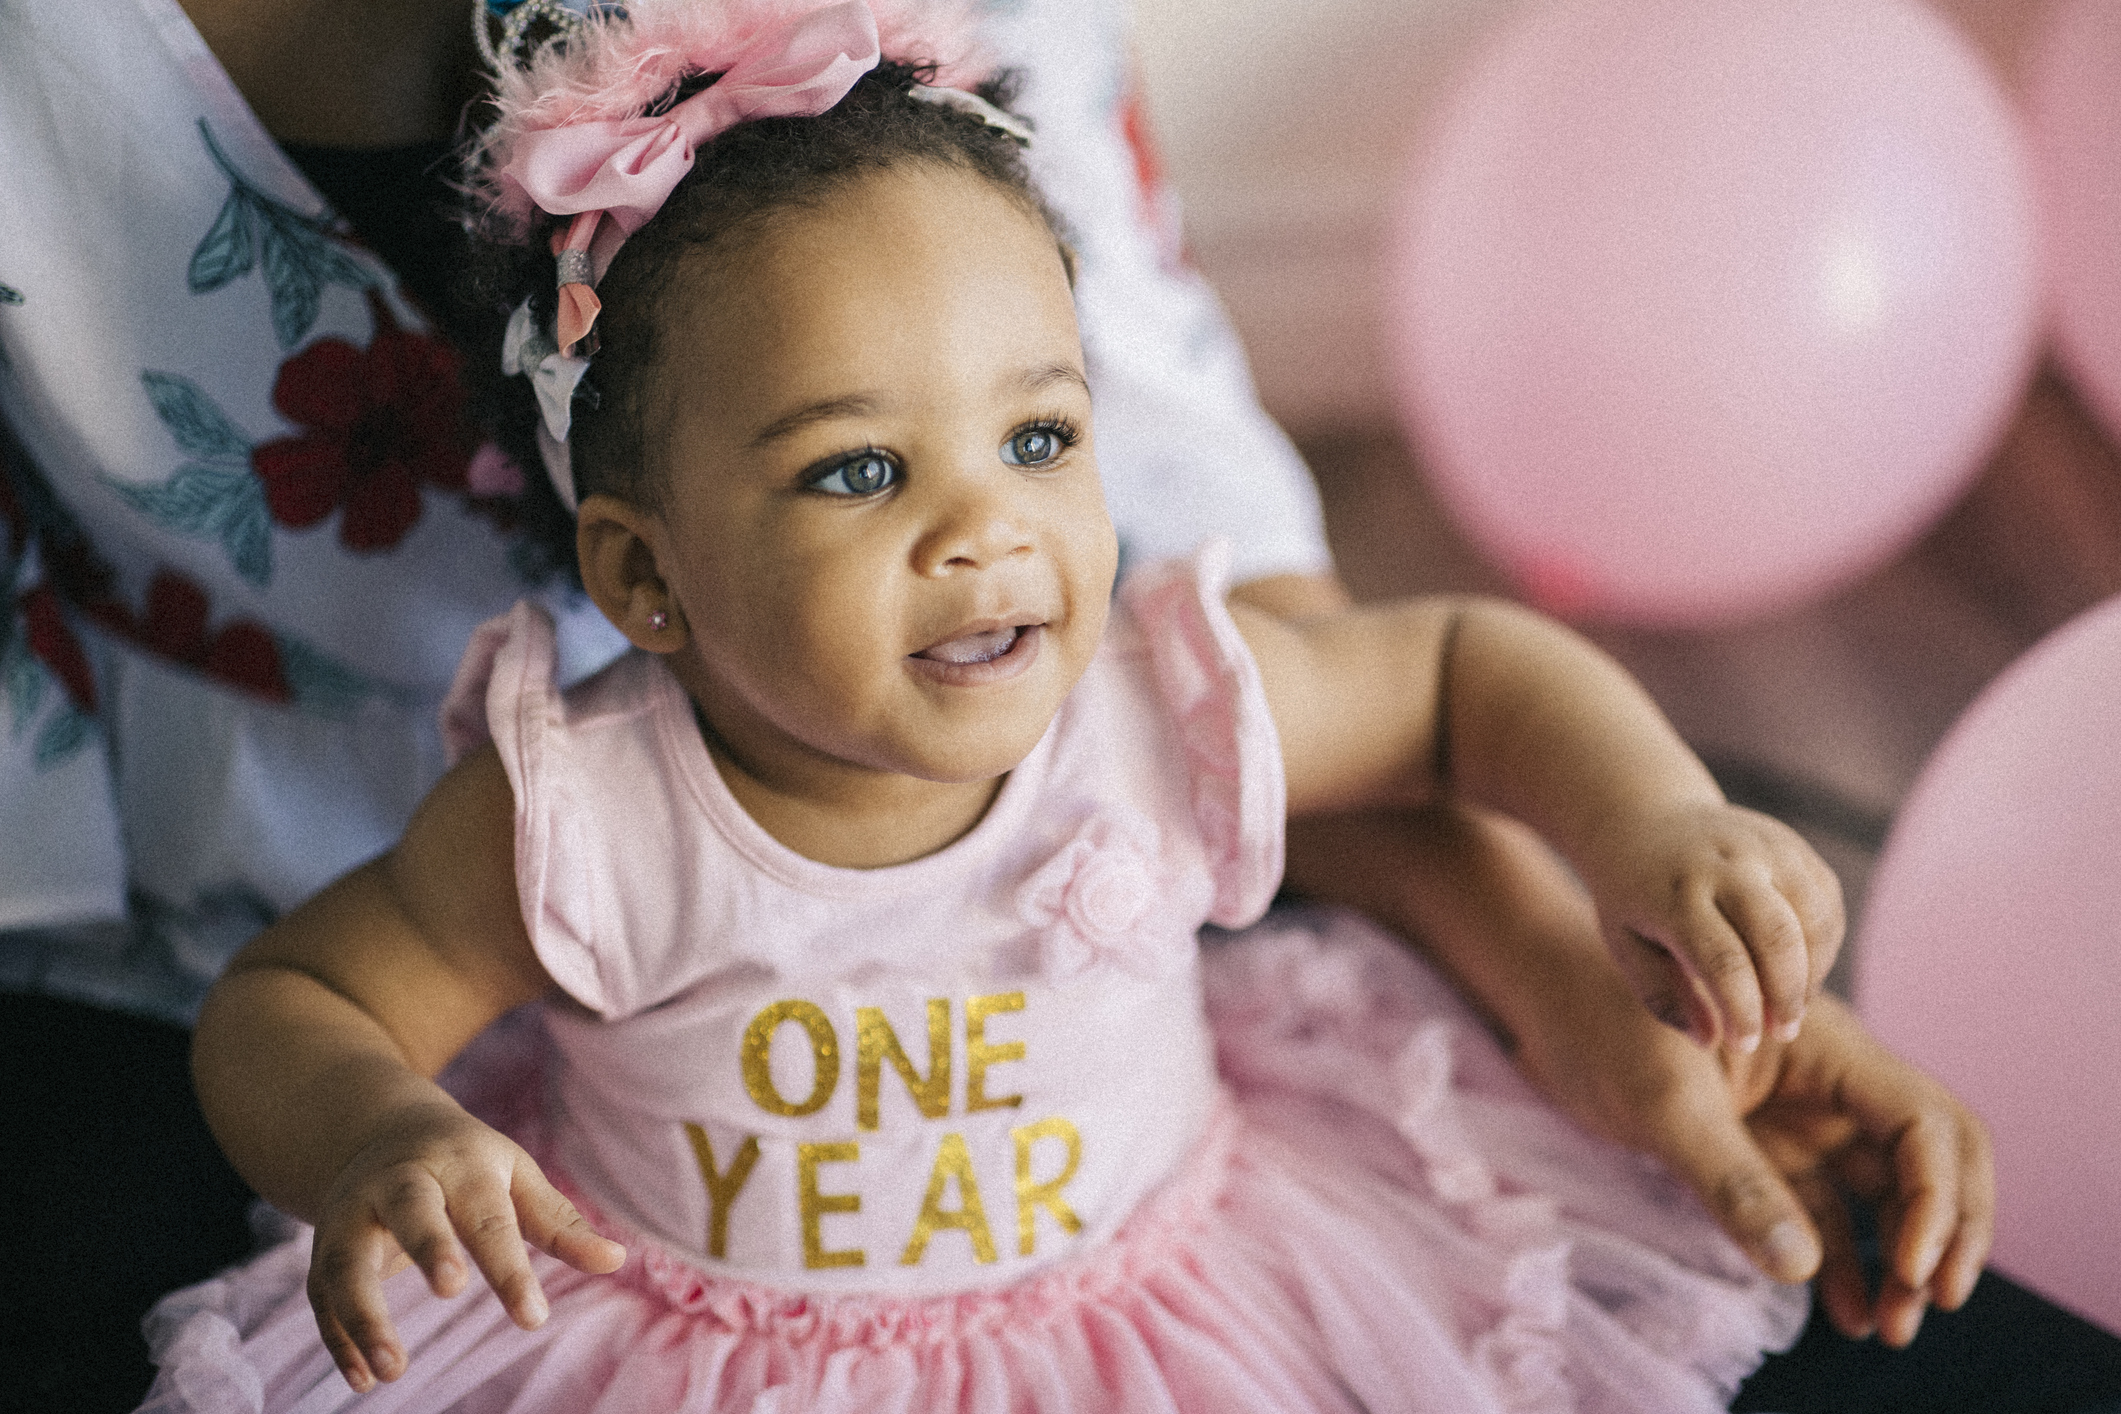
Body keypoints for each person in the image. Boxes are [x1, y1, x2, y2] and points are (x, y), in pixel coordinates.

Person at [0, 0, 2014, 1408]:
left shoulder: (1154, 706)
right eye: (859, 473)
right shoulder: (582, 812)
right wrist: (368, 1135)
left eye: (1038, 438)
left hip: (1161, 1311)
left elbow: (1460, 676)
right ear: (638, 578)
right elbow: (297, 1001)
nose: (989, 535)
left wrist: (1640, 843)